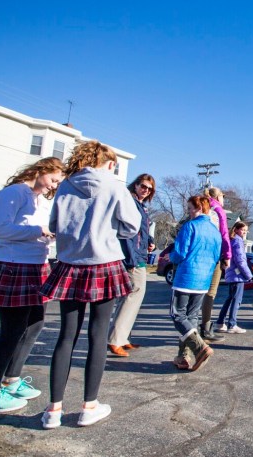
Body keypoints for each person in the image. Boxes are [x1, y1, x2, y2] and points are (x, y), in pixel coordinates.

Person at [39, 141, 141, 429]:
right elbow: (131, 226)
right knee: (97, 336)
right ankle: (89, 406)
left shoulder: (66, 185)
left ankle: (53, 410)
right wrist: (108, 230)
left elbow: (56, 225)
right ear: (107, 162)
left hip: (70, 263)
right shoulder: (114, 185)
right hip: (104, 261)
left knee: (66, 336)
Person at [0, 158, 65, 415]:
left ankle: (12, 380)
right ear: (41, 170)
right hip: (14, 265)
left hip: (36, 266)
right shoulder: (13, 193)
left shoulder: (36, 198)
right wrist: (39, 230)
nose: (54, 186)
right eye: (53, 179)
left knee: (34, 327)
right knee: (11, 332)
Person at [169, 195, 222, 371]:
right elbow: (216, 257)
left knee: (177, 315)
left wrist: (169, 257)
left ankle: (200, 347)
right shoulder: (215, 231)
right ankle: (183, 356)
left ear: (199, 208)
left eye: (190, 208)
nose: (189, 212)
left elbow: (180, 253)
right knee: (191, 318)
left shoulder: (190, 226)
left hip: (186, 276)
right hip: (203, 280)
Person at [107, 173, 156, 357]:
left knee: (134, 297)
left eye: (150, 188)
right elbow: (127, 234)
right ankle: (114, 339)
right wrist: (132, 259)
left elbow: (141, 231)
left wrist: (150, 240)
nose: (146, 190)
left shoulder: (141, 207)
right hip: (131, 258)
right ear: (135, 185)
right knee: (131, 295)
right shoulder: (129, 203)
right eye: (143, 186)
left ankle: (123, 337)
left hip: (140, 255)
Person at [199, 187, 231, 341]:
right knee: (211, 291)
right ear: (217, 197)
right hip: (214, 254)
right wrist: (227, 255)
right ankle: (206, 327)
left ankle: (195, 326)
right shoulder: (218, 210)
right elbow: (224, 234)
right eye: (222, 196)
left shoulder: (201, 207)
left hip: (200, 255)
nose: (224, 199)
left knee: (198, 291)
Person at [217, 221, 252, 334]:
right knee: (236, 300)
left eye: (246, 231)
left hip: (231, 274)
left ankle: (220, 322)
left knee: (230, 299)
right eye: (243, 230)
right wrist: (248, 275)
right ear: (236, 229)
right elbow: (240, 260)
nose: (244, 232)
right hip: (237, 276)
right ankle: (232, 324)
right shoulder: (237, 241)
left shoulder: (232, 240)